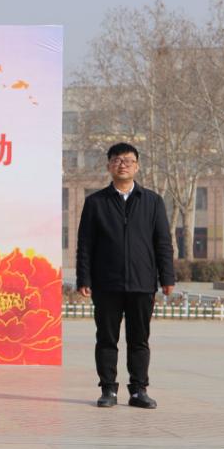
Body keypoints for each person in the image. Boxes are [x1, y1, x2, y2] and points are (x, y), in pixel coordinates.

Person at [76, 142, 174, 409]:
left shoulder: (152, 201)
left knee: (139, 339)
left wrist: (167, 277)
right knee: (106, 338)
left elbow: (163, 242)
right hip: (106, 283)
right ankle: (108, 389)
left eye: (128, 161)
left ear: (137, 166)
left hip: (142, 282)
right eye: (117, 160)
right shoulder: (96, 202)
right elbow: (85, 244)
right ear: (109, 165)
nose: (123, 165)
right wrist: (84, 278)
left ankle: (139, 390)